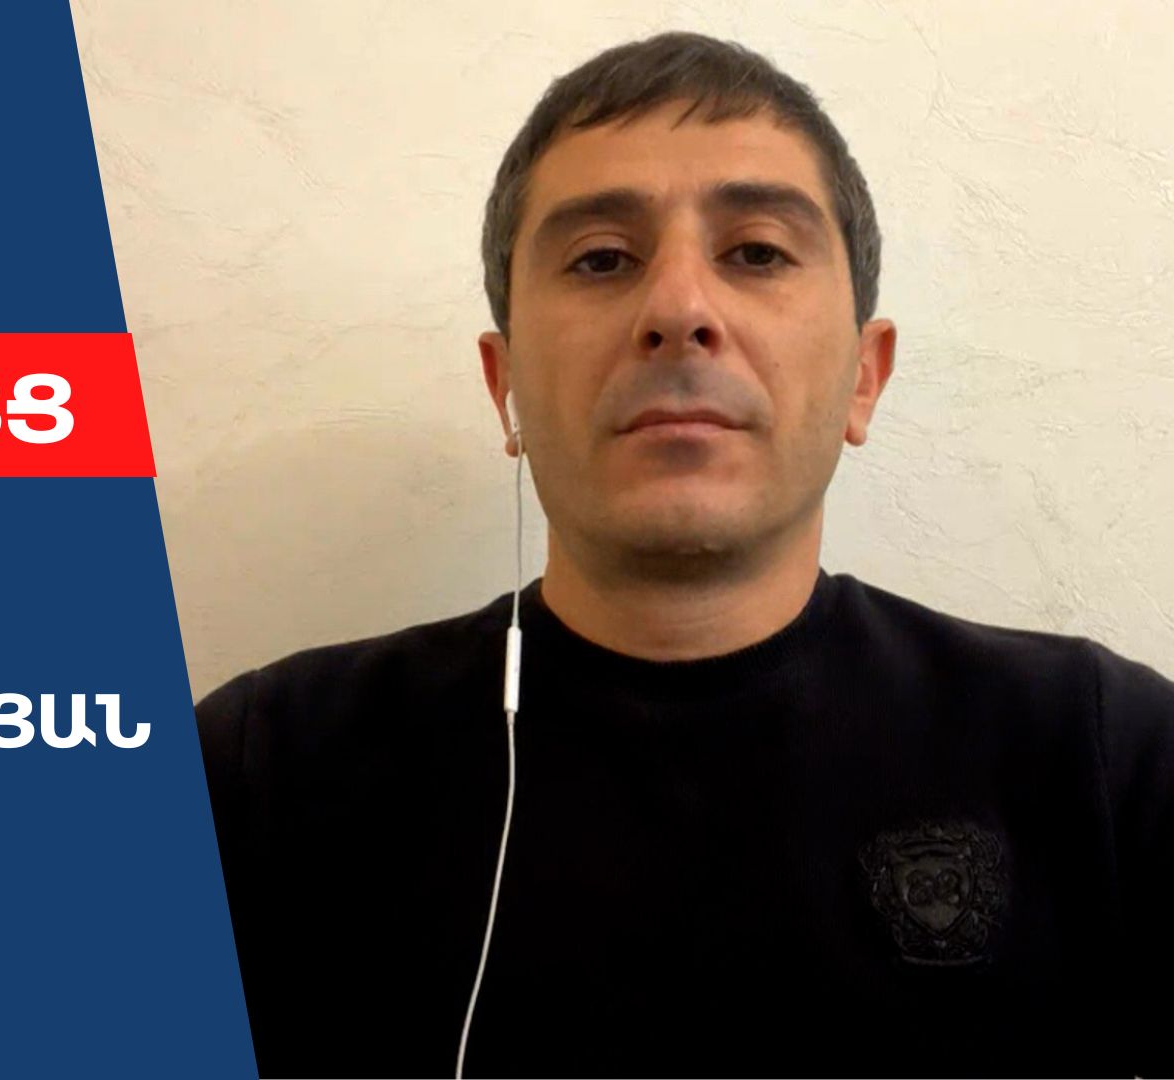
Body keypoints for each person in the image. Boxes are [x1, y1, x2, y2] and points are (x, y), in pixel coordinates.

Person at [194, 31, 1174, 1079]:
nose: (678, 311)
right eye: (602, 258)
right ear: (504, 385)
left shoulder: (1103, 757)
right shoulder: (257, 773)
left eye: (756, 252)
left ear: (864, 376)